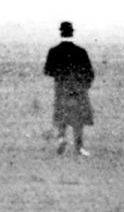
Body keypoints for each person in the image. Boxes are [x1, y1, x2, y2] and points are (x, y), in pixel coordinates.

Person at [43, 21, 95, 157]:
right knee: (78, 118)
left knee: (61, 115)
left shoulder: (53, 51)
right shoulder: (81, 52)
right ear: (72, 33)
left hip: (61, 87)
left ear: (61, 32)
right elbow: (89, 72)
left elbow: (48, 71)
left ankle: (61, 138)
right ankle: (79, 146)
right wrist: (85, 84)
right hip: (78, 87)